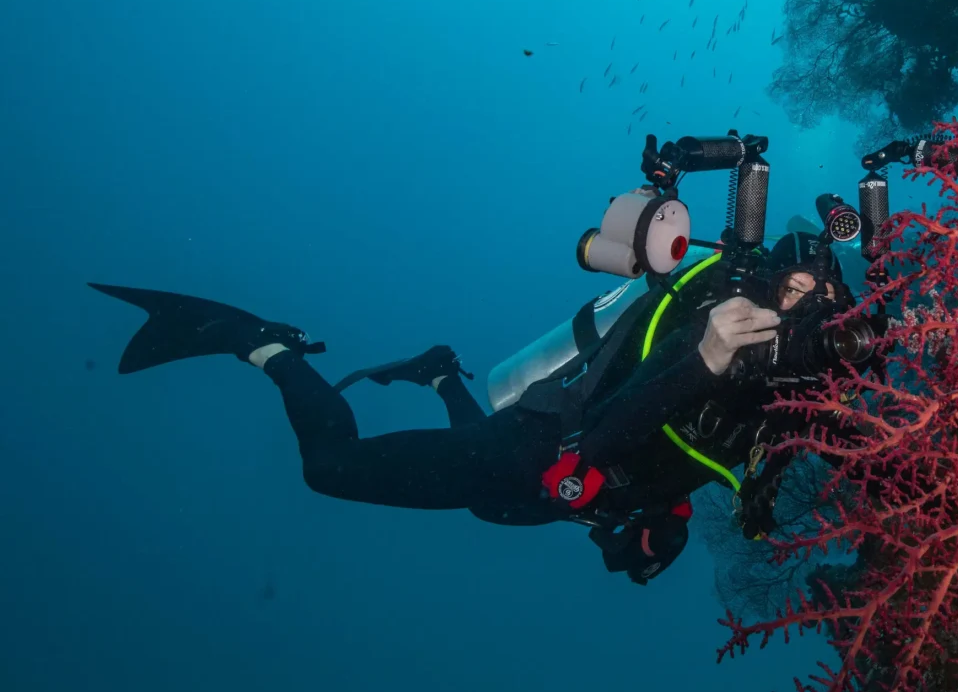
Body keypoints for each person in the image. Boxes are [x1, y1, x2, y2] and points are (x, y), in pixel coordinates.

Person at [89, 231, 860, 584]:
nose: (799, 321)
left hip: (548, 498)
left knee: (481, 498)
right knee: (329, 469)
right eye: (796, 294)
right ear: (767, 279)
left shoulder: (789, 386)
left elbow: (729, 477)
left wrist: (662, 527)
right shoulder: (712, 316)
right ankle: (260, 342)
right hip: (539, 449)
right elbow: (637, 406)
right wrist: (704, 363)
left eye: (822, 312)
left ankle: (439, 374)